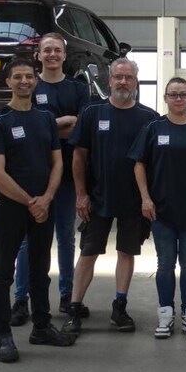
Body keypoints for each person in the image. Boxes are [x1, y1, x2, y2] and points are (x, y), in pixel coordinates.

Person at [0, 56, 78, 363]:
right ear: (8, 82)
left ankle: (42, 327)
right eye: (18, 77)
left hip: (43, 207)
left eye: (29, 76)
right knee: (3, 273)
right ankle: (2, 335)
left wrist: (46, 198)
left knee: (40, 269)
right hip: (11, 209)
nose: (24, 81)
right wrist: (31, 202)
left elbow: (57, 162)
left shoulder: (45, 119)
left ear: (36, 81)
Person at [63, 59, 157, 334]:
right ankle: (74, 308)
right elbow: (79, 156)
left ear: (136, 82)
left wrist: (148, 198)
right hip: (97, 198)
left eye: (129, 77)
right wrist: (81, 194)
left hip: (133, 201)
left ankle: (120, 307)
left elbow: (153, 163)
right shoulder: (92, 113)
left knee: (126, 252)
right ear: (109, 81)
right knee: (88, 253)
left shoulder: (148, 118)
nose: (123, 82)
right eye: (118, 77)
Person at [130, 77, 186, 339]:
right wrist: (145, 198)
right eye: (173, 94)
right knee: (165, 265)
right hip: (162, 211)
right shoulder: (153, 127)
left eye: (183, 94)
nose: (178, 98)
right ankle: (165, 315)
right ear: (166, 98)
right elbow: (139, 164)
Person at [10, 32, 89, 325]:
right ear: (38, 55)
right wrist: (62, 122)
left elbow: (81, 129)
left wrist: (45, 128)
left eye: (57, 50)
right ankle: (21, 299)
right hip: (34, 176)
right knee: (27, 240)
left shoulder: (78, 89)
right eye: (47, 50)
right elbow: (27, 127)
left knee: (66, 237)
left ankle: (67, 296)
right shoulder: (30, 85)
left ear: (64, 55)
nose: (52, 54)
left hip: (68, 175)